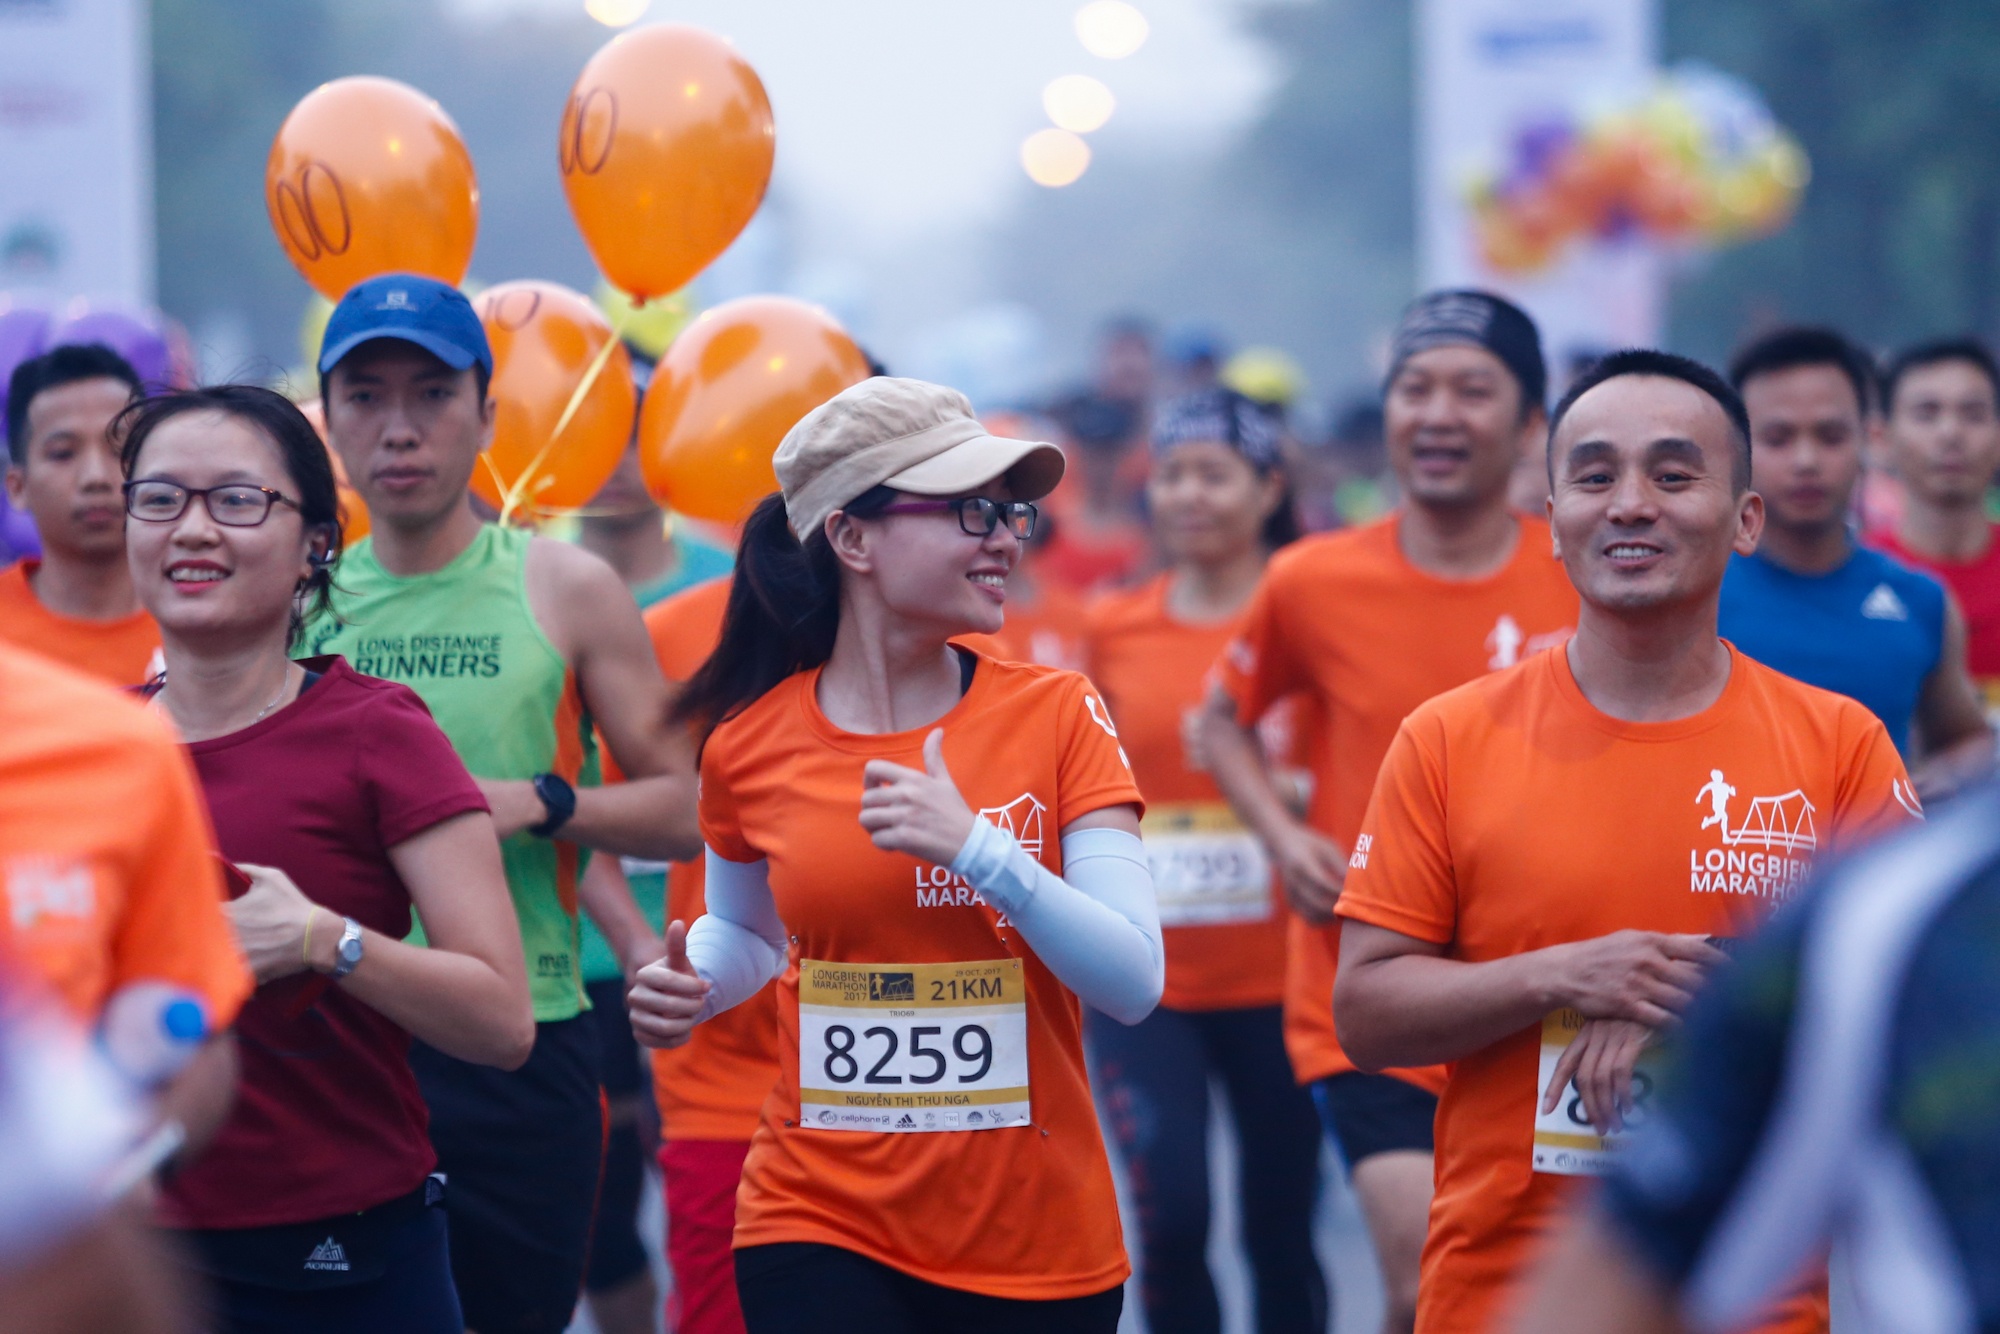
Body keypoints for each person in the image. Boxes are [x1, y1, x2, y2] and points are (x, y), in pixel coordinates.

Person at [1332, 349, 1922, 1334]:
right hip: (1500, 1295)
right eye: (1596, 475)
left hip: (1750, 1296)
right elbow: (1365, 1010)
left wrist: (1697, 1002)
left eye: (1673, 474)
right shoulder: (1445, 735)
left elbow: (1918, 1010)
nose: (1631, 504)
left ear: (1743, 519)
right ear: (1554, 522)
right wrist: (1564, 974)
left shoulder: (1837, 743)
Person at [627, 377, 1160, 1333]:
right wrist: (694, 985)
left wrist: (979, 853)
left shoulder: (1058, 711)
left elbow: (1132, 978)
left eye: (1012, 513)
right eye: (969, 510)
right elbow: (745, 934)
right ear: (853, 538)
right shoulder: (748, 745)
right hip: (813, 1214)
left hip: (1034, 1240)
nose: (1005, 538)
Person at [301, 274, 703, 1334]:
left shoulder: (564, 588)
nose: (399, 427)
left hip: (522, 1041)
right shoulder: (295, 603)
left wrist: (536, 801)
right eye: (366, 397)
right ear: (328, 418)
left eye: (432, 393)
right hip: (339, 1043)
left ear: (486, 412)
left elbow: (682, 807)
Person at [1197, 289, 1578, 1334]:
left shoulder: (1579, 571)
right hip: (1370, 993)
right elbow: (1218, 721)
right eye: (1415, 388)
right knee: (1423, 1287)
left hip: (1547, 998)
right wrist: (1285, 840)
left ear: (1531, 423)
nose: (1438, 412)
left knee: (1524, 1299)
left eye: (1471, 388)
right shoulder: (1311, 579)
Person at [115, 384, 534, 1331]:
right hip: (125, 1261)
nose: (192, 529)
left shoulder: (377, 733)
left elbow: (503, 1021)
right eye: (160, 498)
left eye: (236, 500)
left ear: (315, 542)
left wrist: (324, 941)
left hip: (345, 1263)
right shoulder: (82, 746)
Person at [1512, 780, 2000, 1334]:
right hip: (1500, 1238)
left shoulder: (1843, 747)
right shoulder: (1884, 917)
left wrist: (1668, 982)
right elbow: (1611, 1292)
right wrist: (1561, 978)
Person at [1083, 389, 1325, 1334]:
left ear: (1268, 488)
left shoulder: (1317, 609)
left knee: (1281, 1228)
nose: (1189, 495)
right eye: (1172, 475)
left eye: (1213, 475)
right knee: (1173, 1218)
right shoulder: (1116, 627)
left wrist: (1296, 794)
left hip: (1290, 971)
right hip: (1153, 983)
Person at [570, 420, 733, 1334]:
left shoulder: (727, 582)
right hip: (576, 940)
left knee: (704, 1183)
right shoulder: (530, 582)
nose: (616, 464)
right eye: (594, 439)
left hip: (706, 938)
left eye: (634, 439)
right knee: (598, 1210)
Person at [1717, 327, 1992, 794]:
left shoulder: (1921, 601)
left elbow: (1967, 745)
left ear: (1869, 440)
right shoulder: (1692, 594)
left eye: (1831, 435)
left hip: (1879, 865)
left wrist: (1937, 785)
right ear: (1734, 447)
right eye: (1778, 438)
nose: (1807, 460)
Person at [637, 574, 780, 1334]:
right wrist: (642, 951)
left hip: (914, 1085)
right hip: (724, 1073)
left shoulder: (973, 647)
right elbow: (572, 797)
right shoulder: (673, 630)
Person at [0, 343, 161, 684]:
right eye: (63, 453)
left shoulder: (207, 619)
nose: (96, 478)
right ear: (16, 486)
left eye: (119, 447)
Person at [1869, 337, 2000, 722]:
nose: (1950, 433)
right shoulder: (1849, 579)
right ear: (1881, 438)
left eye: (1973, 414)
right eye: (1927, 413)